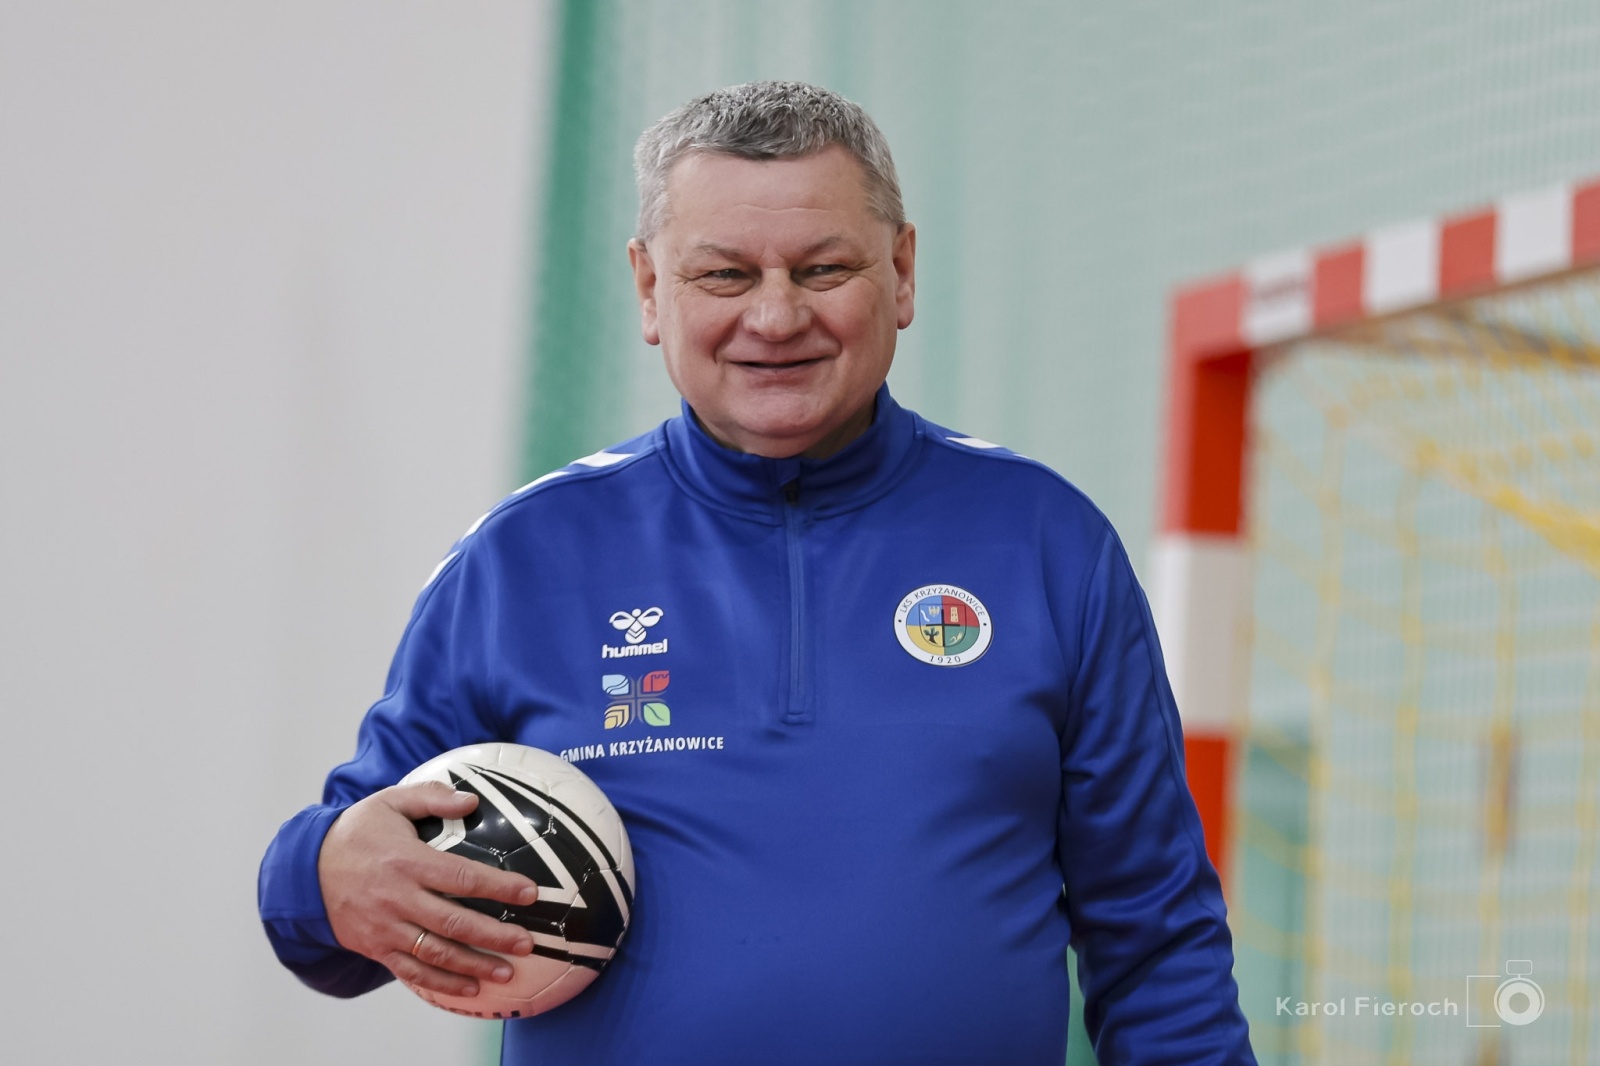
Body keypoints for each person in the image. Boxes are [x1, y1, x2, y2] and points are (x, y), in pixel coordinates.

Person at [259, 80, 1256, 1064]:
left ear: (903, 272)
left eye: (823, 269)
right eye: (724, 275)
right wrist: (321, 870)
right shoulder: (522, 560)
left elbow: (1154, 932)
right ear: (650, 289)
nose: (775, 318)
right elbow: (335, 900)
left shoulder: (1044, 541)